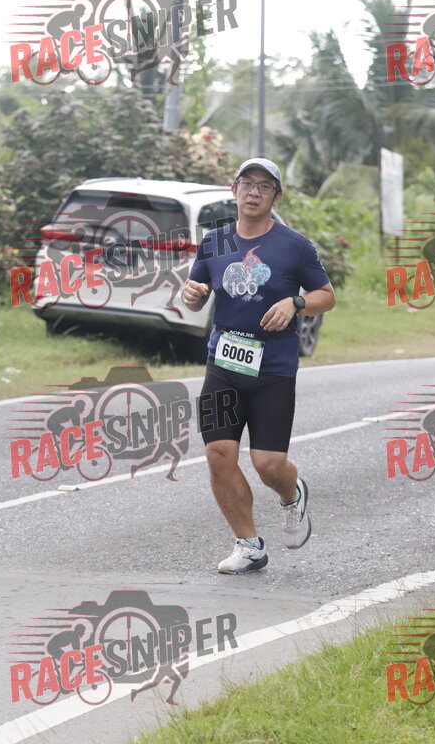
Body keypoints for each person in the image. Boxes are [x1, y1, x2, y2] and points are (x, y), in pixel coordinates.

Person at [183, 158, 335, 574]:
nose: (254, 192)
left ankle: (292, 493)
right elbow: (196, 292)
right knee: (218, 454)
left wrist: (296, 302)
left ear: (276, 197)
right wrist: (192, 296)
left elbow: (326, 296)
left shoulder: (294, 245)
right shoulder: (213, 243)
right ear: (233, 190)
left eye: (264, 186)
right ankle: (248, 545)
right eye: (247, 183)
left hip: (274, 368)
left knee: (267, 464)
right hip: (223, 363)